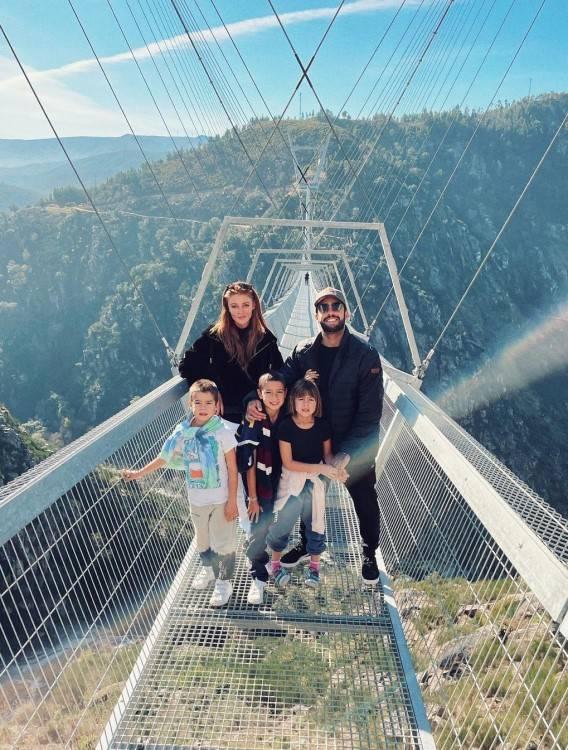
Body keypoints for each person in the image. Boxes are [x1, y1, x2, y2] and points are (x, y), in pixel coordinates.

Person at [247, 287, 383, 585]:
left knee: (363, 497)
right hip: (310, 439)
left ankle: (369, 551)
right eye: (324, 307)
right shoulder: (303, 351)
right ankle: (308, 545)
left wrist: (345, 453)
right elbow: (282, 377)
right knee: (305, 496)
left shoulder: (366, 355)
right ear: (317, 315)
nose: (331, 311)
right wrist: (255, 398)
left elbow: (369, 415)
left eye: (336, 305)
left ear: (346, 312)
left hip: (350, 444)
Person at [122, 379, 238, 607]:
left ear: (217, 406)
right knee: (203, 540)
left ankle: (224, 583)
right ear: (190, 404)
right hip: (196, 499)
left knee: (223, 543)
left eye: (208, 403)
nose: (203, 407)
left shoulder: (223, 433)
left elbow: (233, 470)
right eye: (198, 402)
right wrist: (138, 473)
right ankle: (208, 569)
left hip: (221, 498)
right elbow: (164, 458)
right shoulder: (182, 432)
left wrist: (232, 502)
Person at [266, 379, 346, 589]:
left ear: (317, 402)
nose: (305, 404)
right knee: (284, 522)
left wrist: (336, 470)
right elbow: (288, 463)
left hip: (313, 484)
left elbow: (327, 456)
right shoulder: (286, 426)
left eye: (310, 399)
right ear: (293, 401)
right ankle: (274, 564)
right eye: (300, 399)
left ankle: (314, 568)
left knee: (315, 524)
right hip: (293, 483)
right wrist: (322, 469)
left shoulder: (322, 426)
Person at [178, 281, 284, 425]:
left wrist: (258, 398)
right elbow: (187, 364)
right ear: (227, 308)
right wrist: (211, 389)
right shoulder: (215, 336)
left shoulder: (265, 339)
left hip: (255, 411)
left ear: (254, 305)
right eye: (234, 306)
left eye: (245, 305)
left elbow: (278, 373)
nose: (240, 311)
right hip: (223, 415)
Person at [236, 371, 287, 605]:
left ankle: (264, 555)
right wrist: (252, 497)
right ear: (259, 394)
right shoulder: (254, 419)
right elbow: (249, 463)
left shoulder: (289, 416)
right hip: (261, 484)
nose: (274, 398)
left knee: (275, 524)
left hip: (284, 479)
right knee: (259, 525)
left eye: (279, 392)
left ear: (286, 394)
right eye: (268, 393)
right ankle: (258, 578)